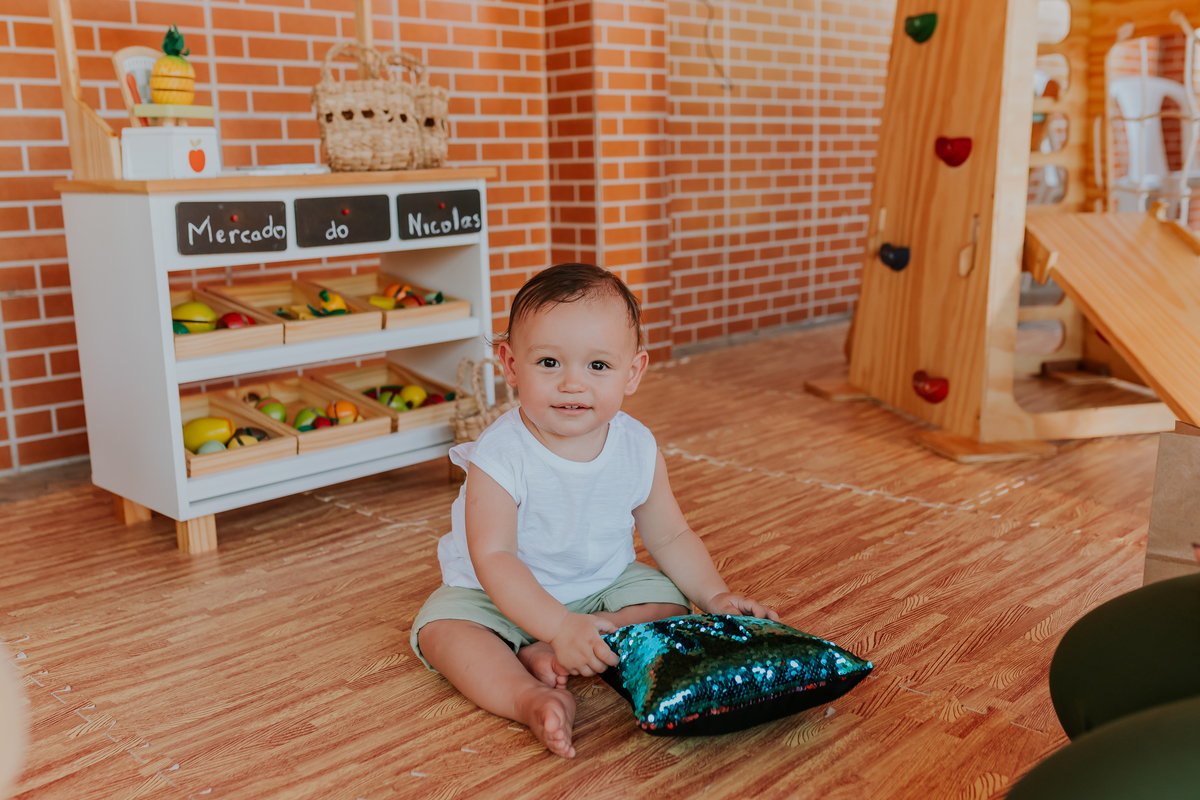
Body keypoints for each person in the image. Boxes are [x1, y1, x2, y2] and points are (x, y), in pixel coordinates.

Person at [411, 263, 778, 758]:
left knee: (672, 604)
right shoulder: (500, 456)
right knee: (442, 631)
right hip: (495, 595)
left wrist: (715, 596)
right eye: (549, 363)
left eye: (597, 367)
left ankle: (545, 650)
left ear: (633, 372)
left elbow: (669, 536)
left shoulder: (637, 446)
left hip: (599, 586)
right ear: (511, 365)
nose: (572, 385)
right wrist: (558, 625)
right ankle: (528, 695)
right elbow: (493, 556)